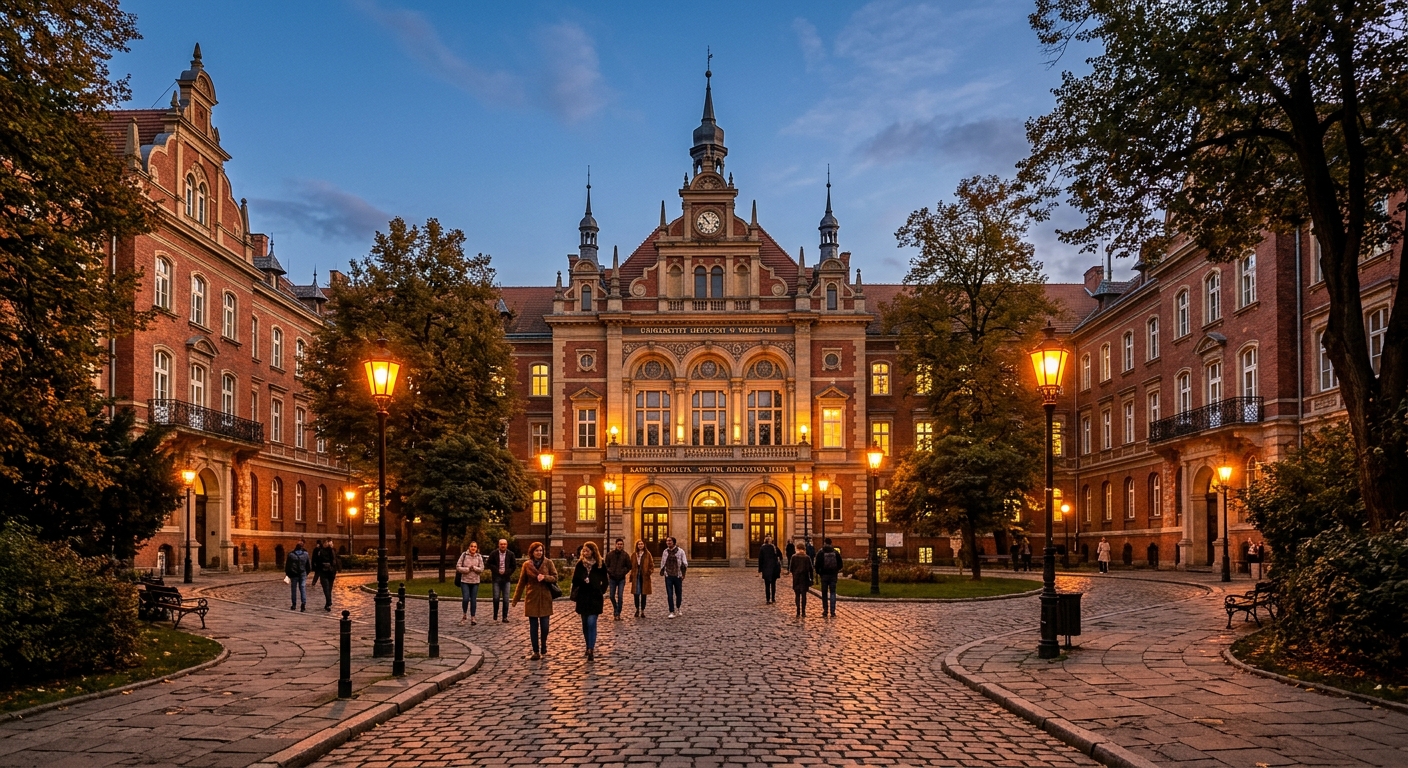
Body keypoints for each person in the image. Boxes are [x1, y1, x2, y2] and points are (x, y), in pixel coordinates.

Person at [510, 542, 558, 660]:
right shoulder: (527, 565)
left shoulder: (548, 562)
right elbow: (521, 583)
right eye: (537, 551)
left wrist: (545, 577)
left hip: (545, 598)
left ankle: (544, 644)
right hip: (531, 598)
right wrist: (515, 599)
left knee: (545, 626)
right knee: (533, 626)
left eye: (541, 550)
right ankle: (535, 651)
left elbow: (555, 577)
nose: (539, 553)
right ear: (532, 552)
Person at [571, 541, 608, 660]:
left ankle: (591, 648)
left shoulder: (600, 564)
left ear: (593, 551)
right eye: (584, 550)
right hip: (583, 597)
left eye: (587, 550)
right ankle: (588, 645)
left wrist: (600, 590)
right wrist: (583, 580)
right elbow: (574, 581)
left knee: (592, 622)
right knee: (585, 624)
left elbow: (605, 581)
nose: (585, 552)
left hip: (595, 598)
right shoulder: (580, 564)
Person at [486, 538, 517, 622]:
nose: (503, 546)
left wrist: (507, 572)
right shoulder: (494, 553)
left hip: (506, 578)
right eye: (501, 544)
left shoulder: (511, 554)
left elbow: (514, 566)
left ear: (507, 545)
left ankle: (505, 617)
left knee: (506, 599)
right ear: (498, 545)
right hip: (496, 578)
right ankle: (495, 615)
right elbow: (489, 563)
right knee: (496, 597)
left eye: (504, 544)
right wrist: (496, 570)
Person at [455, 540, 484, 625]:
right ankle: (464, 615)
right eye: (472, 546)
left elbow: (481, 568)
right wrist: (467, 569)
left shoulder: (479, 556)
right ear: (469, 547)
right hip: (465, 581)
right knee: (466, 598)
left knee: (473, 600)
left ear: (477, 548)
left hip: (475, 581)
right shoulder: (464, 555)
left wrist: (474, 568)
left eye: (475, 547)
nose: (473, 548)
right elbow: (458, 566)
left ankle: (473, 617)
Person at [659, 537, 688, 618]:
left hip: (678, 575)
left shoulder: (680, 551)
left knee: (678, 593)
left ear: (674, 542)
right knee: (669, 593)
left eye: (670, 541)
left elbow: (684, 563)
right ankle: (671, 611)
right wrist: (663, 570)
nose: (668, 542)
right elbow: (663, 562)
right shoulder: (665, 551)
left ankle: (678, 607)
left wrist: (683, 574)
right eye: (667, 541)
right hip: (668, 575)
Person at [813, 538, 842, 617]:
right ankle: (833, 611)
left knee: (824, 593)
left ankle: (825, 610)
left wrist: (820, 573)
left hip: (824, 576)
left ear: (824, 543)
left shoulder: (821, 552)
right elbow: (840, 564)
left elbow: (816, 565)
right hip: (833, 575)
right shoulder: (835, 552)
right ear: (831, 543)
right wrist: (836, 570)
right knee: (833, 593)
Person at [604, 538, 632, 620]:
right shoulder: (610, 554)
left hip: (621, 579)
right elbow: (606, 565)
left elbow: (629, 566)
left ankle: (618, 613)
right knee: (611, 596)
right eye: (618, 544)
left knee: (620, 596)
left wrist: (623, 572)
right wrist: (610, 572)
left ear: (623, 545)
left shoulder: (626, 555)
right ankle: (616, 608)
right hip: (612, 578)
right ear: (615, 545)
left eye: (621, 544)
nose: (620, 546)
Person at [310, 539, 339, 612]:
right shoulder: (322, 551)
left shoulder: (330, 551)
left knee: (328, 589)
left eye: (328, 542)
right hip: (326, 572)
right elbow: (317, 561)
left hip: (328, 572)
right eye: (326, 542)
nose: (327, 544)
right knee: (327, 589)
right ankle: (328, 603)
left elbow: (334, 561)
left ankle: (328, 603)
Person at [629, 539, 654, 617]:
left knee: (644, 594)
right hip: (636, 576)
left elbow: (651, 565)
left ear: (644, 545)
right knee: (636, 593)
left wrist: (649, 572)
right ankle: (637, 609)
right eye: (639, 544)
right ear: (637, 545)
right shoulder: (634, 555)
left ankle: (643, 610)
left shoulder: (648, 554)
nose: (640, 545)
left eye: (641, 544)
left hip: (644, 576)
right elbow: (630, 565)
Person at [285, 540, 311, 611]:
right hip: (303, 574)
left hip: (294, 574)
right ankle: (303, 604)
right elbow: (308, 566)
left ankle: (294, 604)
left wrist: (288, 574)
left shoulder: (291, 555)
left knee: (294, 589)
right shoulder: (306, 554)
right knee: (302, 588)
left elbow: (288, 566)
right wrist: (306, 573)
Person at [789, 543, 814, 617]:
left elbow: (791, 569)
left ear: (797, 548)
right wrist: (811, 578)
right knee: (804, 595)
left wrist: (795, 573)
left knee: (797, 595)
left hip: (796, 578)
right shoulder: (807, 557)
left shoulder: (794, 557)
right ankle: (803, 611)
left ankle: (798, 611)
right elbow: (811, 569)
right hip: (805, 578)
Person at [757, 535, 782, 604]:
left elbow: (760, 559)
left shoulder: (762, 548)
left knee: (767, 585)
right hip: (774, 568)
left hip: (766, 568)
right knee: (773, 584)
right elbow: (781, 555)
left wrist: (760, 569)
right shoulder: (774, 547)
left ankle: (768, 599)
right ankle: (773, 598)